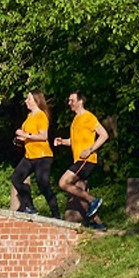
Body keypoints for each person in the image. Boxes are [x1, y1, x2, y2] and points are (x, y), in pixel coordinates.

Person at [54, 92, 111, 226]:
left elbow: (104, 135)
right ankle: (96, 223)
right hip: (78, 160)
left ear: (80, 101)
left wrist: (90, 149)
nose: (69, 103)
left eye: (72, 100)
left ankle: (93, 200)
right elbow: (74, 141)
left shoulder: (88, 117)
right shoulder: (75, 119)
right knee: (79, 192)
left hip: (86, 160)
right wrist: (63, 141)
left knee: (63, 183)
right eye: (69, 101)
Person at [11, 90, 62, 217]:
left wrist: (25, 135)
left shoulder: (41, 115)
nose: (26, 101)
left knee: (43, 184)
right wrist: (19, 139)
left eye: (29, 99)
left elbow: (43, 136)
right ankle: (30, 206)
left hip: (42, 156)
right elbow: (27, 136)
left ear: (36, 100)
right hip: (29, 156)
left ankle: (56, 214)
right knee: (16, 178)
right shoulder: (29, 116)